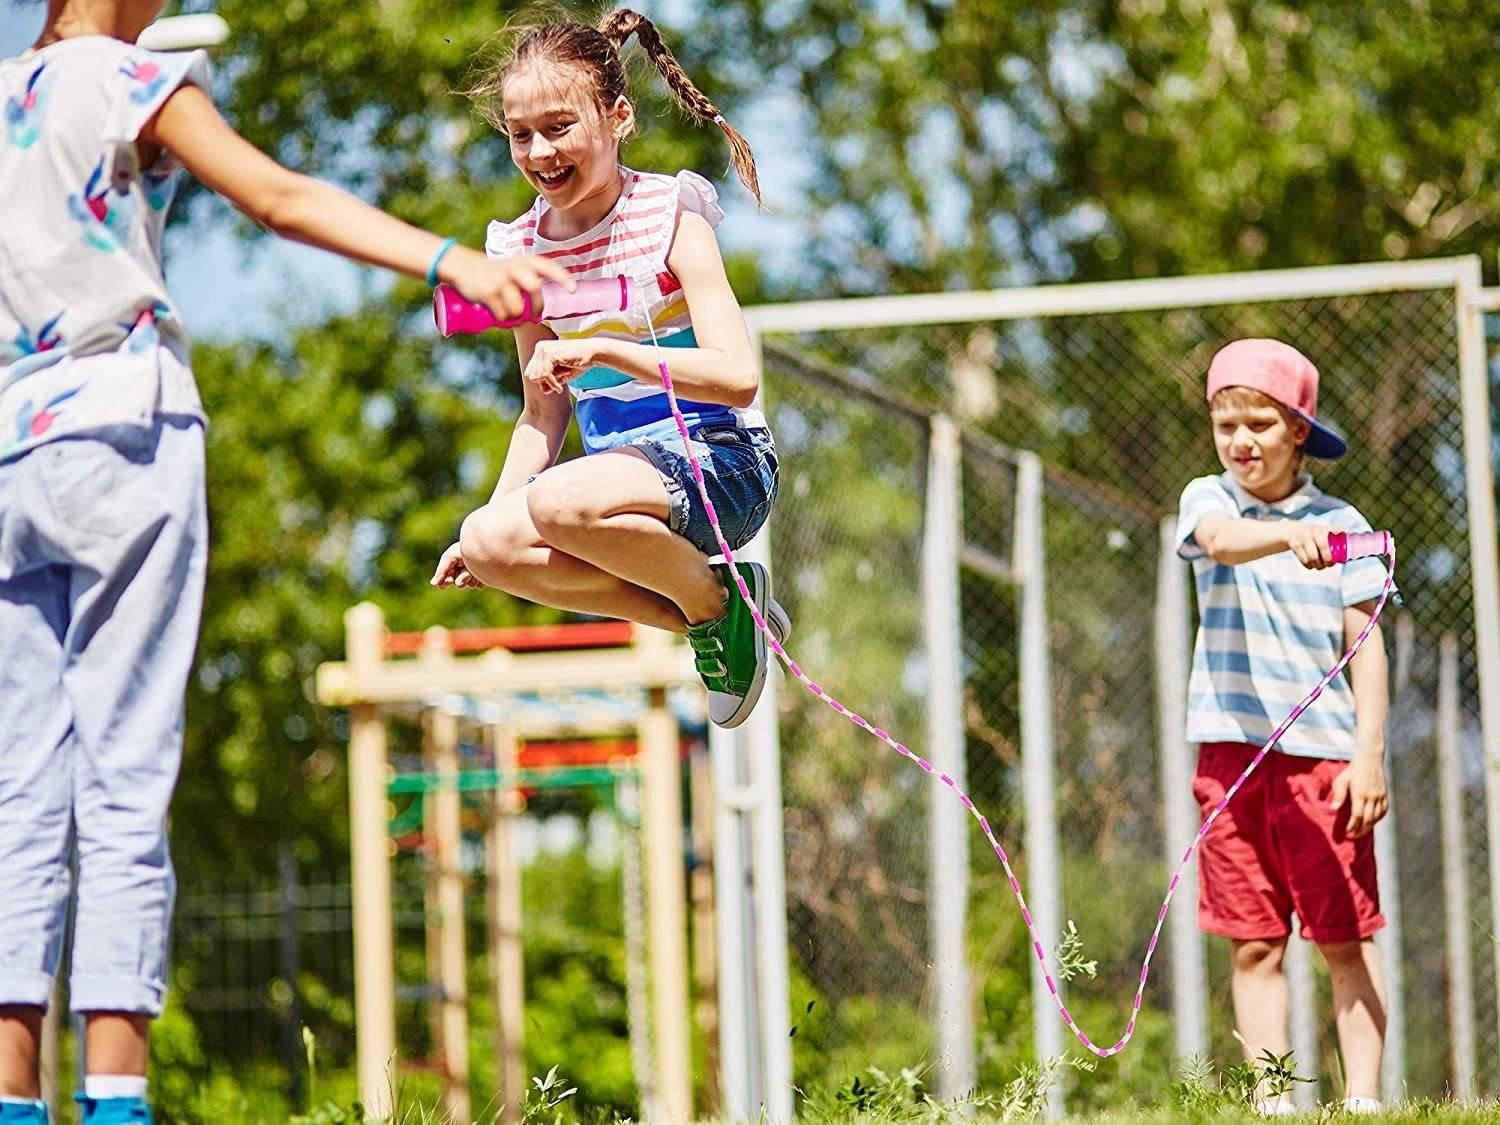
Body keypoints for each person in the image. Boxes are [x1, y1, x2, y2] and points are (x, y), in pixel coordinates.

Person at [0, 3, 568, 1121]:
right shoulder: (122, 78)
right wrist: (450, 257)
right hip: (123, 428)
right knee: (124, 777)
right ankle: (114, 1100)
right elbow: (278, 197)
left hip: (12, 454)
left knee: (16, 792)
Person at [430, 8, 789, 730]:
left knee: (561, 504)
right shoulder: (519, 250)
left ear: (619, 116)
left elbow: (737, 376)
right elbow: (541, 412)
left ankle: (718, 606)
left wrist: (606, 351)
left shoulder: (669, 213)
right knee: (487, 538)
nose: (539, 151)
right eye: (519, 133)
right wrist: (494, 520)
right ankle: (716, 613)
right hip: (616, 490)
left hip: (721, 462)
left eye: (559, 127)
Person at [1176, 339, 1391, 1115]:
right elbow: (1220, 544)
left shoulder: (1345, 524)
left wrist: (1367, 754)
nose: (1240, 441)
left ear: (1298, 428)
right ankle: (1274, 1103)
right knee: (1254, 940)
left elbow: (1366, 646)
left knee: (1341, 941)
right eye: (1224, 423)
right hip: (1230, 756)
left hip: (1323, 763)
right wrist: (1281, 537)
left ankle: (1363, 1100)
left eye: (1259, 423)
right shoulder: (1210, 499)